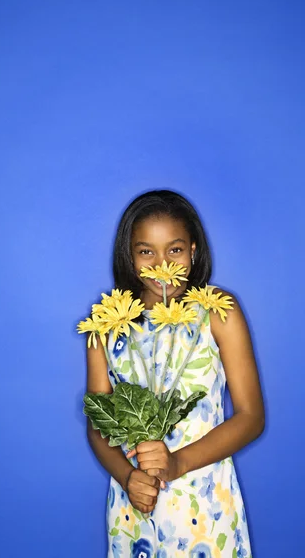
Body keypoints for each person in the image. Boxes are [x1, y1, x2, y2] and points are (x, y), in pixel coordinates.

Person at [85, 189, 264, 558]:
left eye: (175, 250)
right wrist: (127, 477)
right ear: (129, 256)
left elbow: (251, 417)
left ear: (194, 251)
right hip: (136, 501)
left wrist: (178, 462)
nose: (161, 265)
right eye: (146, 251)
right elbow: (97, 421)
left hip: (204, 498)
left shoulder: (217, 313)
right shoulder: (107, 324)